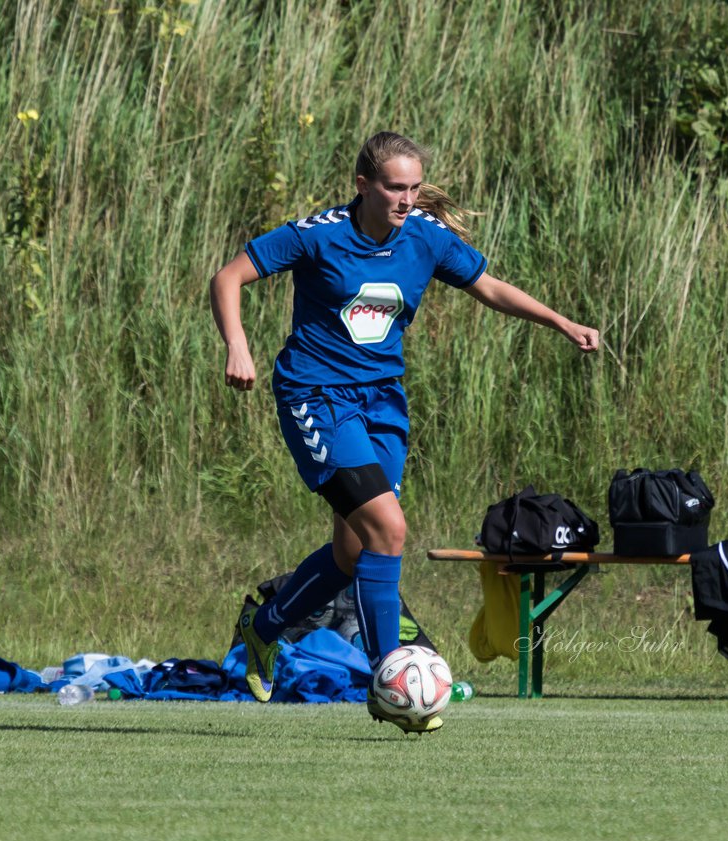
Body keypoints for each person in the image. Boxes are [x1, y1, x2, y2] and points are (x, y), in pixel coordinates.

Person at [210, 131, 599, 733]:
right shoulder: (318, 235)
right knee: (389, 529)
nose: (406, 199)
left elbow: (489, 287)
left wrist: (559, 321)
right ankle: (387, 681)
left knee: (352, 550)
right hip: (316, 398)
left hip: (382, 406)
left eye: (415, 188)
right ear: (363, 184)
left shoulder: (424, 236)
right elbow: (229, 278)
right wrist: (238, 346)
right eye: (395, 187)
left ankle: (265, 627)